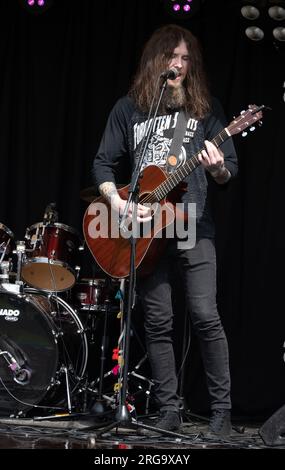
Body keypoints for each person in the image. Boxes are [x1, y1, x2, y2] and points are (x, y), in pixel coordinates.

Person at [92, 24, 238, 438]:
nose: (179, 65)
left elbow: (229, 170)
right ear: (156, 61)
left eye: (186, 58)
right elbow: (103, 163)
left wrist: (217, 167)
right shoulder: (128, 109)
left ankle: (222, 416)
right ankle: (169, 411)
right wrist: (120, 204)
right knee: (157, 322)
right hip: (146, 232)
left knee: (206, 316)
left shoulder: (206, 109)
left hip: (193, 224)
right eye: (172, 56)